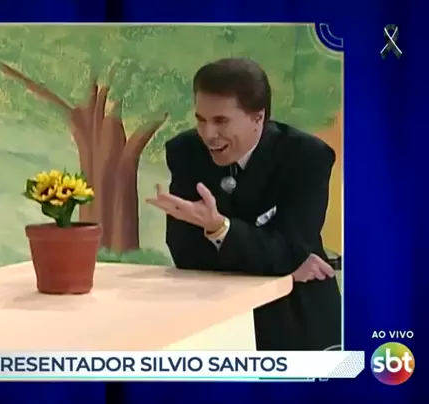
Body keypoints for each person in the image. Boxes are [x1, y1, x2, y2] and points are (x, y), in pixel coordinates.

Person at [146, 58, 341, 351]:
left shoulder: (306, 157)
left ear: (257, 118)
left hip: (296, 320)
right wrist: (283, 265)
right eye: (201, 120)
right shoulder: (185, 151)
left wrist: (220, 229)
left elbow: (292, 247)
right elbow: (186, 253)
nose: (208, 134)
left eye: (220, 121)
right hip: (219, 322)